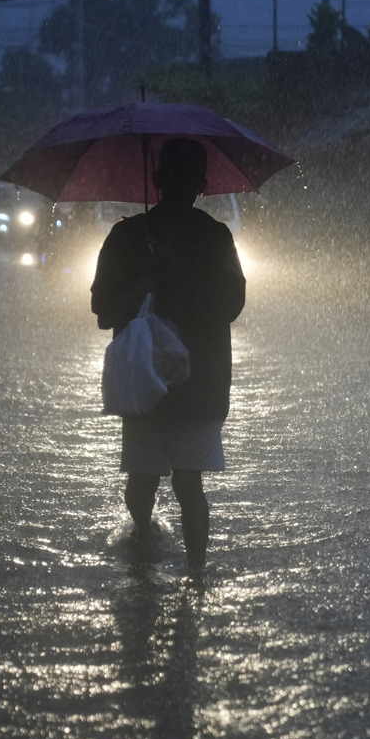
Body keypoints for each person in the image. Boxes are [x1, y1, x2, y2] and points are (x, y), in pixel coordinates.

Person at [90, 138, 246, 572]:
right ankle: (193, 573)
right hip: (196, 382)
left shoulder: (131, 236)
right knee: (183, 485)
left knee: (147, 483)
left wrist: (165, 288)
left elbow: (102, 309)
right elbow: (231, 305)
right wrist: (144, 289)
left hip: (154, 382)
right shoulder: (199, 237)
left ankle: (150, 555)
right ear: (201, 185)